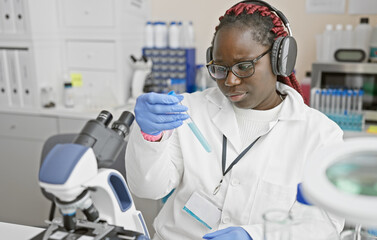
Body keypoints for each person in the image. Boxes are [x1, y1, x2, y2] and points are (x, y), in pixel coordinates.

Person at [126, 1, 344, 239]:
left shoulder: (320, 134)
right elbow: (147, 189)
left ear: (279, 60)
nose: (230, 81)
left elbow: (325, 224)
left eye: (244, 66)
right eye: (220, 68)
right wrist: (149, 136)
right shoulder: (189, 110)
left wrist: (254, 236)